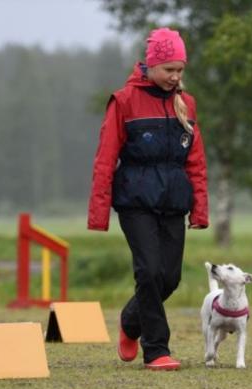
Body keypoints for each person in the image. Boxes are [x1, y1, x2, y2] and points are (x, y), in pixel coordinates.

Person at [87, 27, 209, 371]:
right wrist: (99, 212)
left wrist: (200, 207)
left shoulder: (187, 103)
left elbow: (196, 161)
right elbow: (105, 157)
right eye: (169, 69)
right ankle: (156, 350)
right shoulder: (124, 101)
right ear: (150, 66)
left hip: (173, 200)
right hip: (135, 201)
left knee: (169, 278)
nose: (175, 77)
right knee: (150, 271)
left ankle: (130, 322)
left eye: (180, 70)